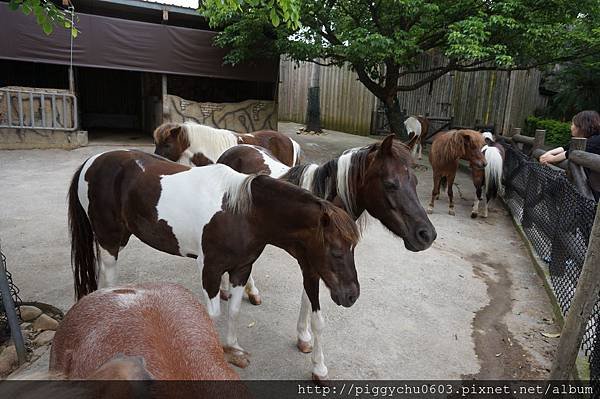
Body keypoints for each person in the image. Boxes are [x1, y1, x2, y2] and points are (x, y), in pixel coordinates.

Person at [540, 110, 600, 200]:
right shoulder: (585, 139)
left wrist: (551, 159)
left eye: (573, 124)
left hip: (594, 193)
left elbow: (571, 153)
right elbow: (565, 148)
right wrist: (547, 154)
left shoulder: (596, 141)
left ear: (581, 126)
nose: (571, 127)